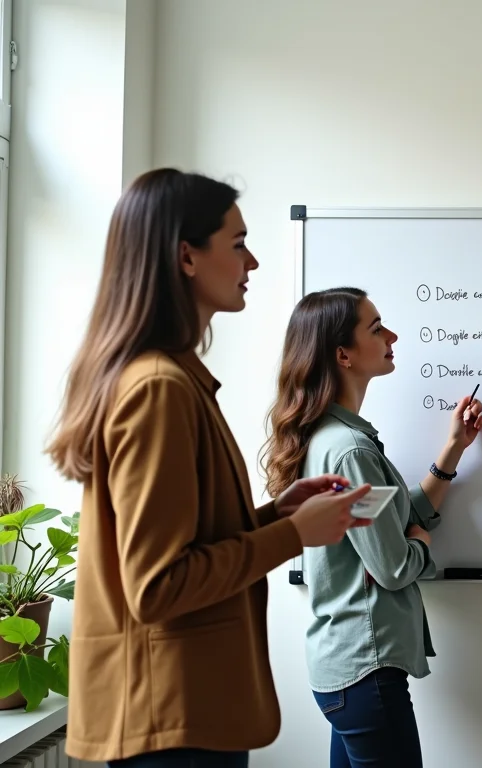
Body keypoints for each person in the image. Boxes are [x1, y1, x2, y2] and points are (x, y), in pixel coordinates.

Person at [45, 169, 373, 768]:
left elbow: (183, 539)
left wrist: (279, 512)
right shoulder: (157, 389)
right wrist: (293, 535)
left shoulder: (172, 380)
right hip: (169, 720)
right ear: (187, 257)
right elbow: (158, 585)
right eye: (239, 243)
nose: (252, 263)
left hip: (179, 714)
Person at [261, 286, 482, 768]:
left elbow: (396, 515)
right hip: (367, 673)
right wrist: (421, 546)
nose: (393, 336)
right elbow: (393, 565)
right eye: (377, 328)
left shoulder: (333, 438)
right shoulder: (350, 449)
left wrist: (453, 450)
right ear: (343, 354)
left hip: (345, 672)